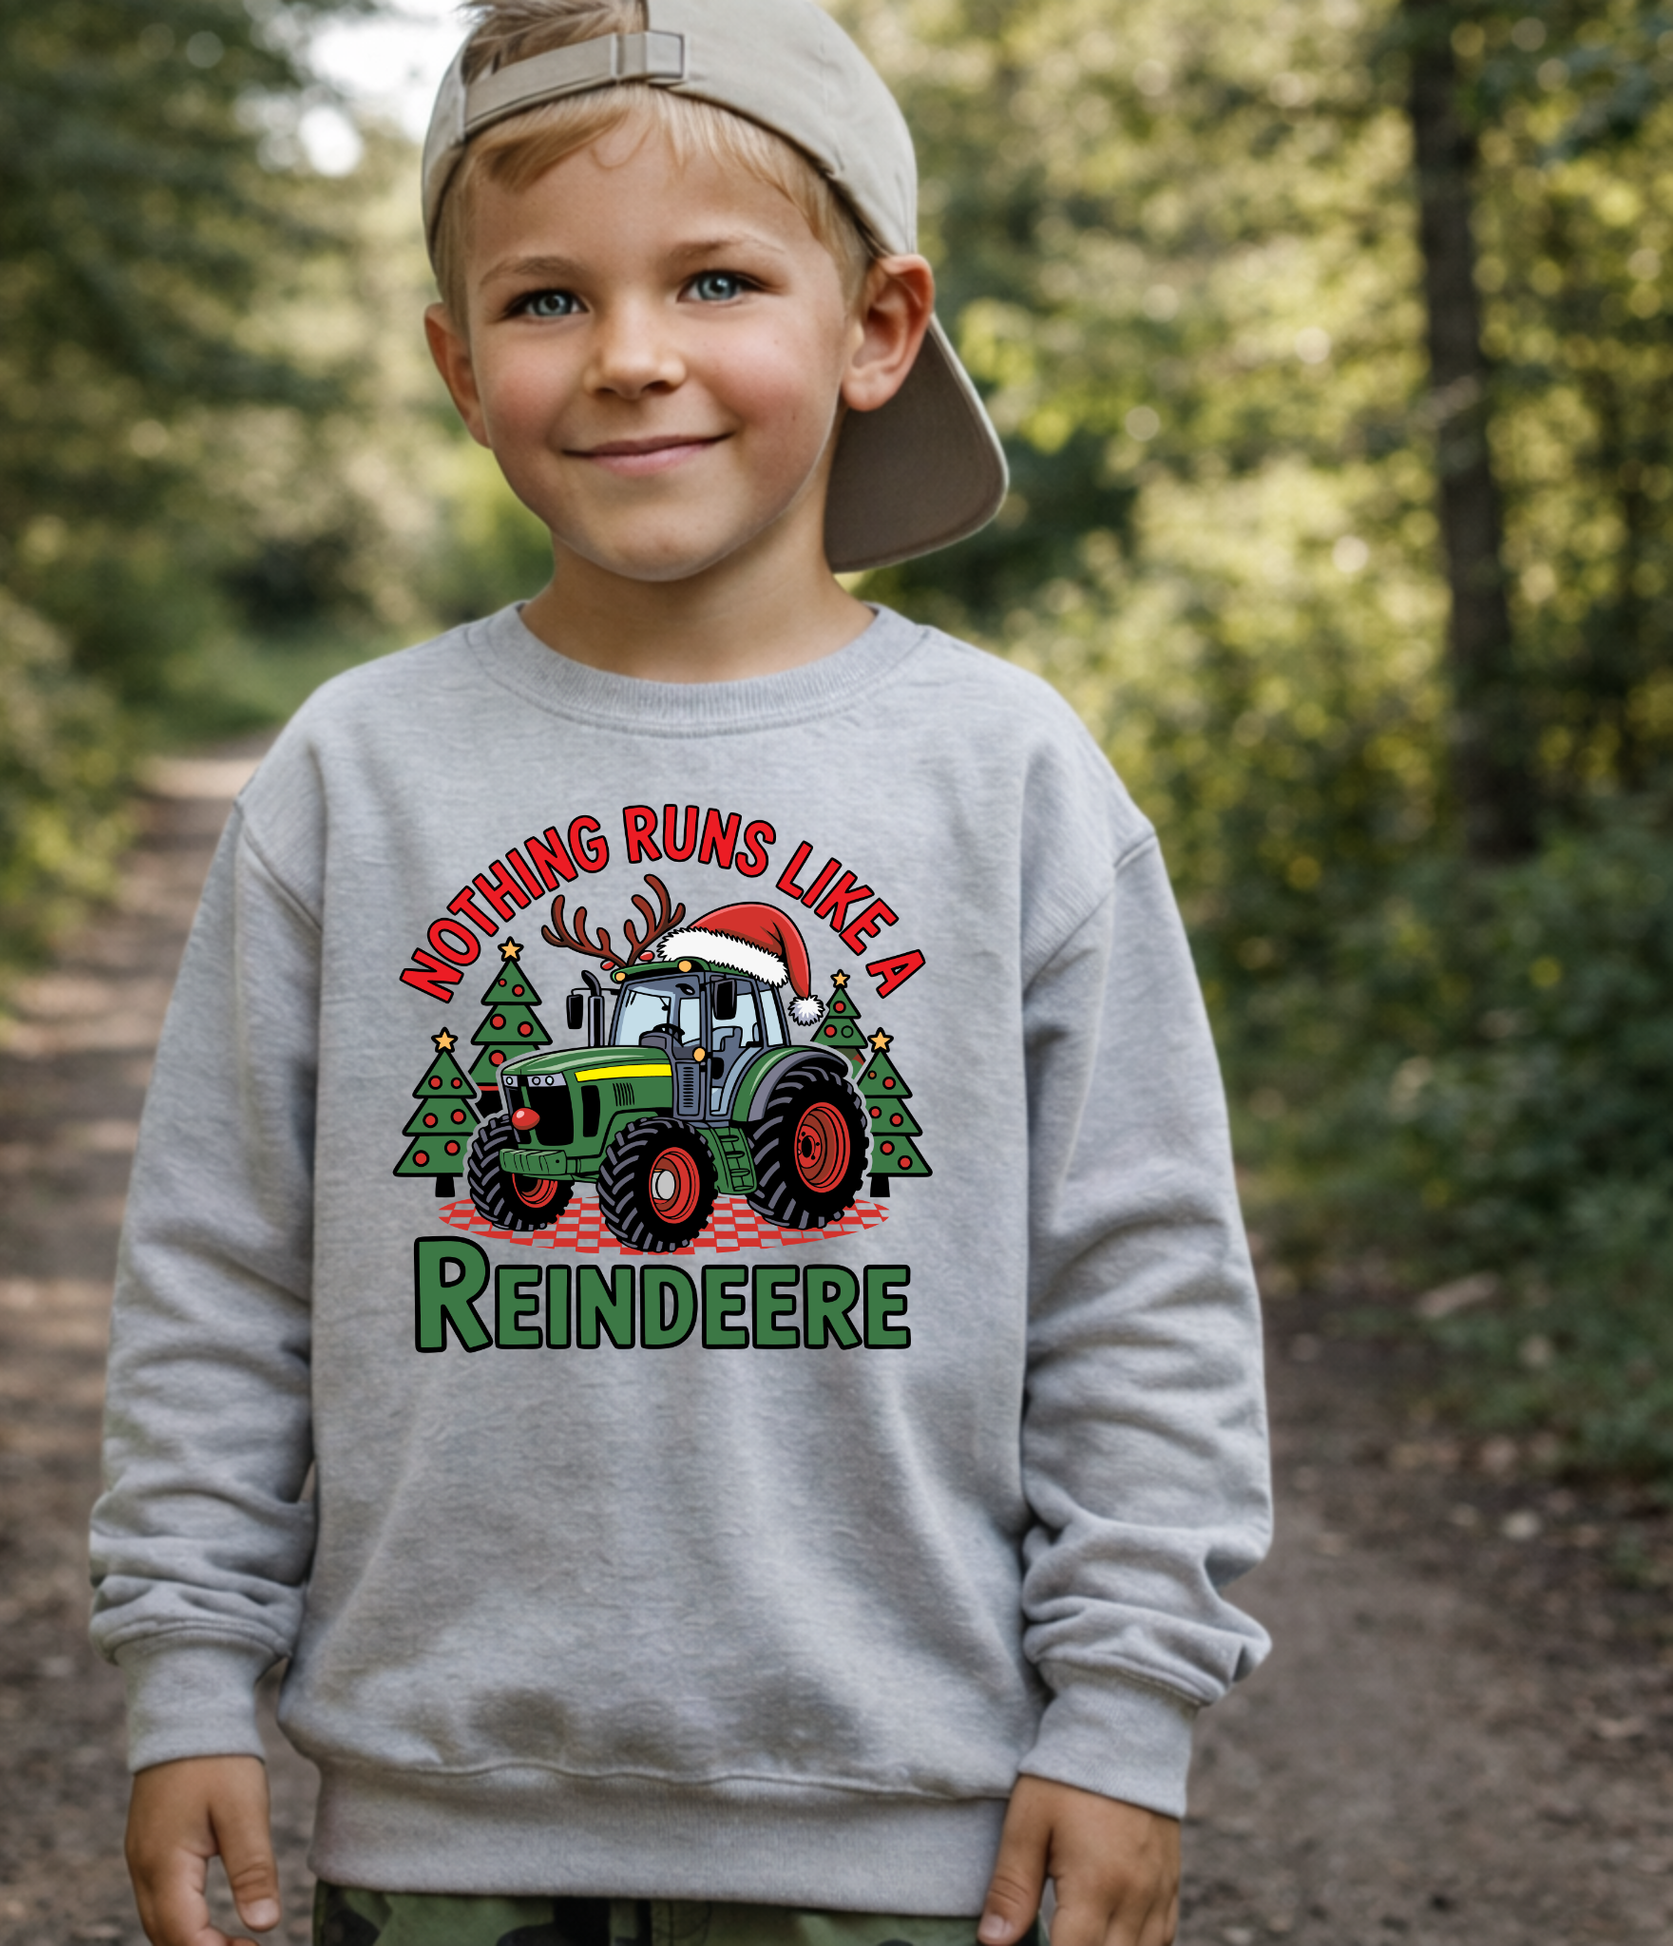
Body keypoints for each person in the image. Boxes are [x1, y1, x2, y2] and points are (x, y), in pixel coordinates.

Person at [88, 4, 1273, 1946]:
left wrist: (1126, 1707)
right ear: (460, 367)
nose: (631, 353)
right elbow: (219, 1263)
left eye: (713, 278)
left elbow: (1141, 1275)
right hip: (445, 1807)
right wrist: (185, 1668)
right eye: (547, 299)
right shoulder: (351, 773)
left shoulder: (1006, 774)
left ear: (876, 327)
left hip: (905, 1815)